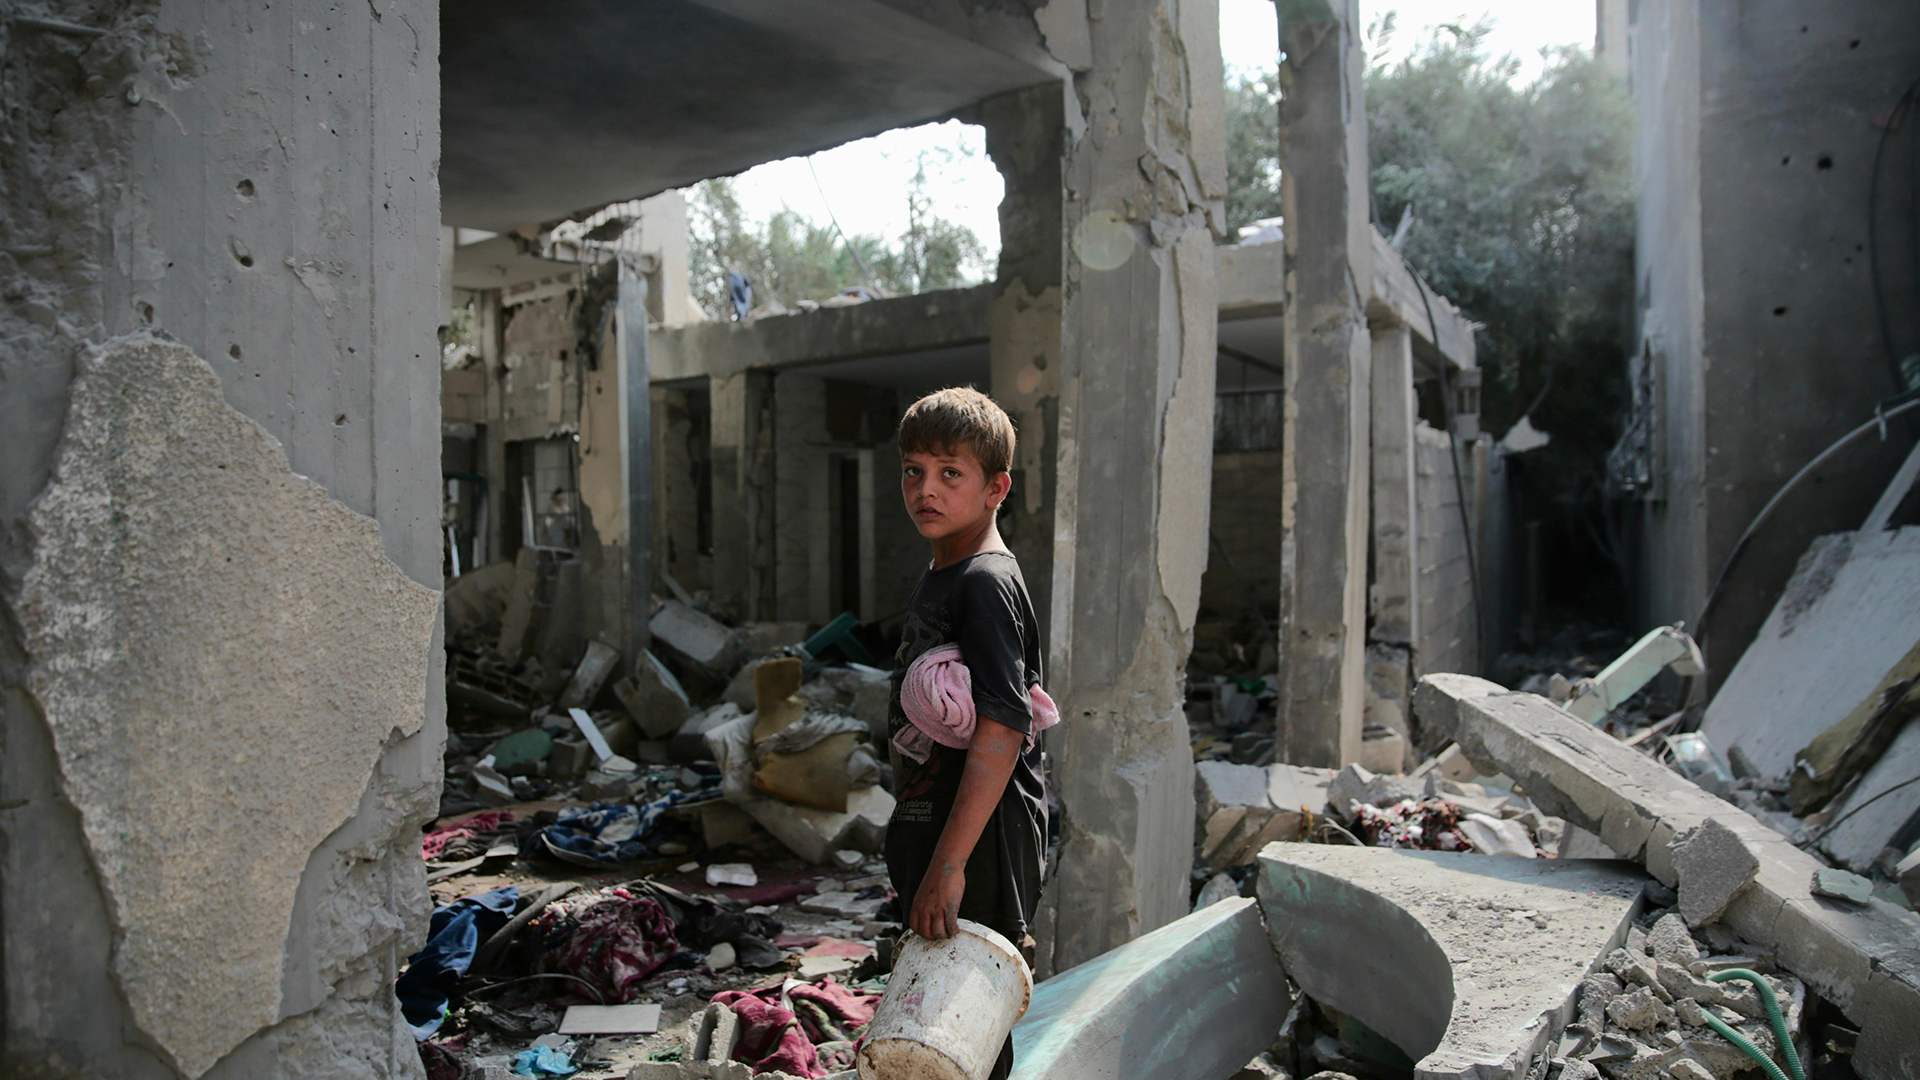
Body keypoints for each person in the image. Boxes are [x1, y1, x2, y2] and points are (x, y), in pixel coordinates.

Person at [883, 387, 1049, 1080]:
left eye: (951, 472)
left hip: (980, 843)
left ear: (996, 488)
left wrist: (949, 866)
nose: (927, 488)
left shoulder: (983, 580)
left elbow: (1005, 725)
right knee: (937, 1028)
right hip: (942, 826)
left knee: (964, 1033)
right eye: (914, 471)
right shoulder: (944, 569)